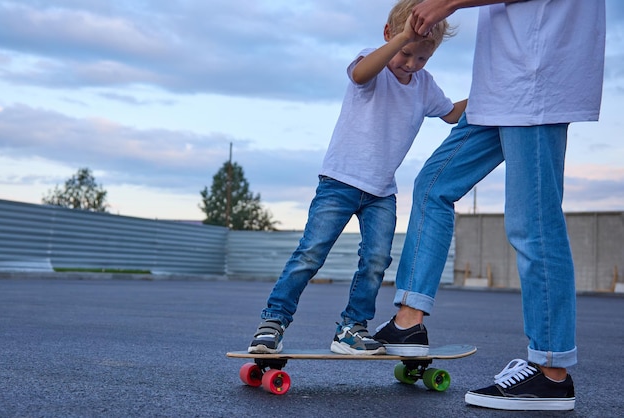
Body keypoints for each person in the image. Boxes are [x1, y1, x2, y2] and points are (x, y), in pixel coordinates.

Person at [373, 0, 605, 411]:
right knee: (433, 186)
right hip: (498, 86)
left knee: (533, 223)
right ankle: (408, 324)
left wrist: (445, 4)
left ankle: (552, 372)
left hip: (537, 78)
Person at [248, 0, 466, 356]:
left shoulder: (424, 86)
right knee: (310, 253)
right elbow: (360, 74)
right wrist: (402, 39)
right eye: (406, 53)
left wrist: (489, 94)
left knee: (377, 260)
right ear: (388, 36)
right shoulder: (373, 62)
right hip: (339, 182)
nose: (411, 64)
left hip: (381, 193)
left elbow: (452, 114)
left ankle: (351, 328)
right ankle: (273, 321)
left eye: (422, 58)